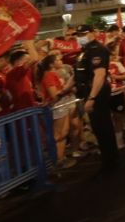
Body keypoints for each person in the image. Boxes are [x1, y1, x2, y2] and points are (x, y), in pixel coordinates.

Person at [75, 23, 118, 174]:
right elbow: (77, 74)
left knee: (103, 127)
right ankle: (107, 159)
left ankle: (111, 162)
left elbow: (99, 75)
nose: (81, 37)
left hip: (97, 92)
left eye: (84, 34)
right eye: (78, 35)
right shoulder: (84, 51)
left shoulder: (98, 49)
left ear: (93, 33)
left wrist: (92, 98)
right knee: (98, 129)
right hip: (87, 91)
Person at [37, 53, 75, 166]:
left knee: (65, 132)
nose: (61, 61)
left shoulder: (55, 74)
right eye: (58, 60)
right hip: (57, 106)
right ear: (51, 64)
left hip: (63, 104)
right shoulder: (48, 75)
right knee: (57, 134)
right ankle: (55, 160)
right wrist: (67, 88)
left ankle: (61, 158)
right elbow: (53, 94)